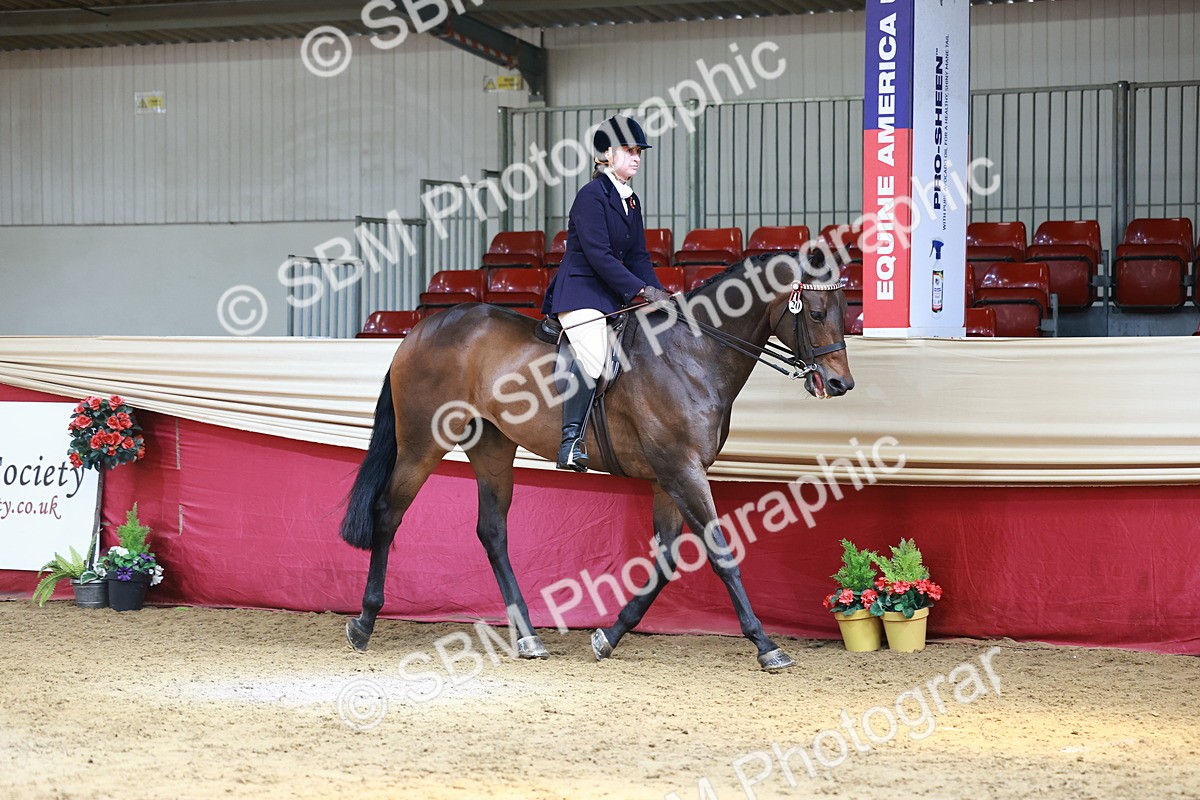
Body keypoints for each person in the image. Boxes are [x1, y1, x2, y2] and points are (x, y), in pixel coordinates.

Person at [541, 115, 672, 472]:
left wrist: (659, 293)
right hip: (581, 292)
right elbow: (598, 255)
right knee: (595, 354)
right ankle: (570, 442)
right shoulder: (591, 196)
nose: (636, 158)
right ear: (608, 155)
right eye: (629, 151)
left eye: (639, 152)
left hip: (612, 294)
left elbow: (638, 256)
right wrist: (639, 289)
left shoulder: (631, 200)